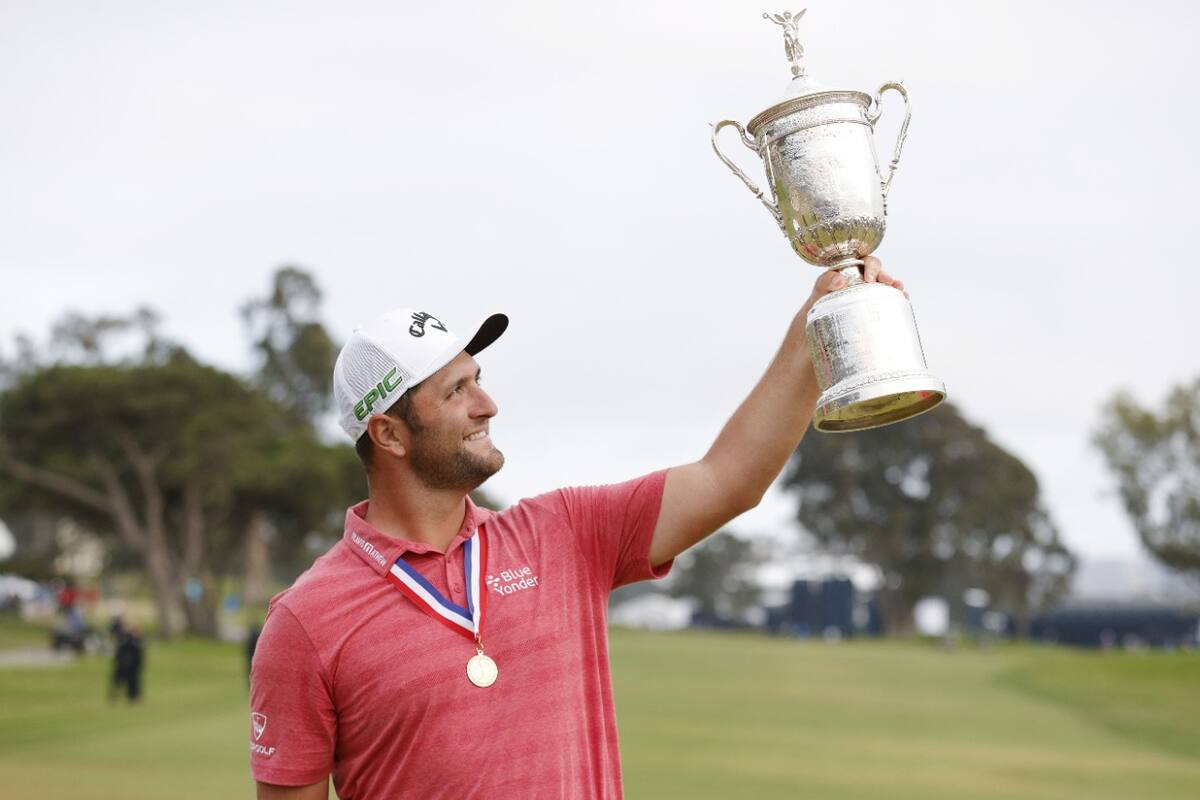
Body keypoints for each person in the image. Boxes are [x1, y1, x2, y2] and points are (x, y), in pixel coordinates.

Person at [249, 259, 907, 799]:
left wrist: (814, 328)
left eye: (479, 379)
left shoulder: (564, 532)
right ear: (388, 433)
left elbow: (730, 479)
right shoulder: (306, 624)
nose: (488, 404)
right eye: (456, 393)